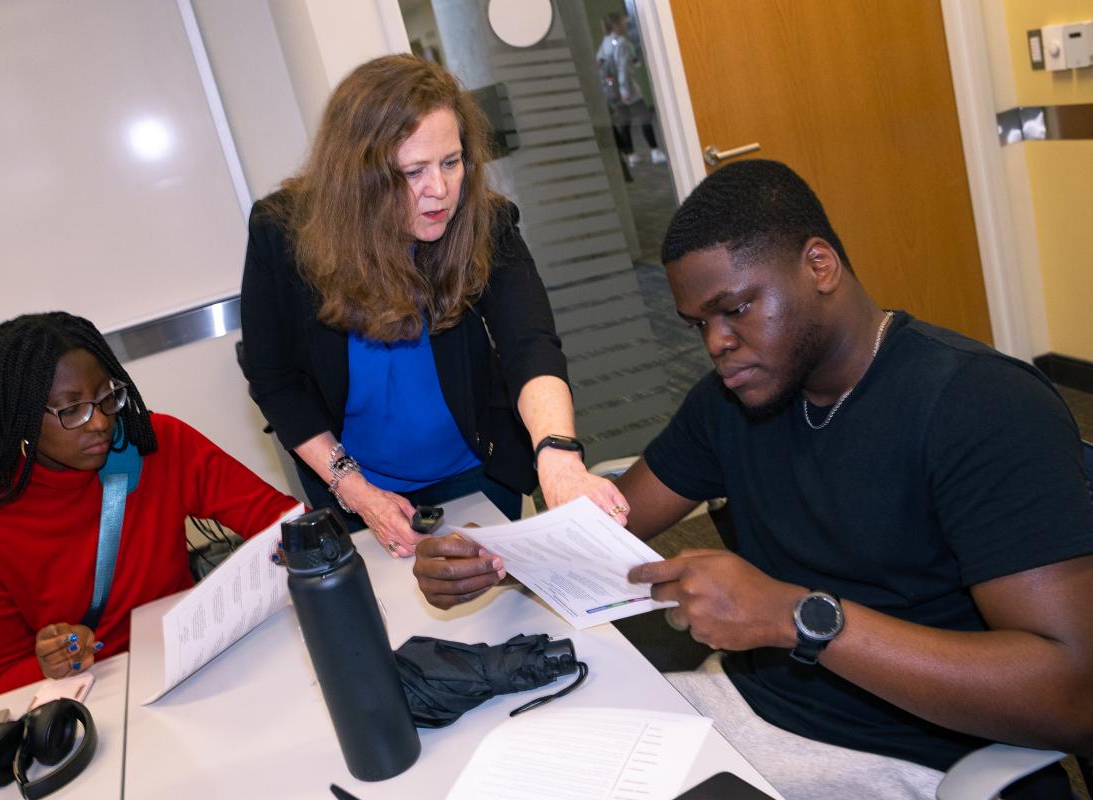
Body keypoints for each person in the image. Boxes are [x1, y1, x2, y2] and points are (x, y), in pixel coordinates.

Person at [412, 160, 1093, 799]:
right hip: (751, 712)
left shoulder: (980, 406)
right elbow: (607, 532)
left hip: (919, 759)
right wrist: (499, 562)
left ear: (819, 265)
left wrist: (794, 618)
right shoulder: (733, 399)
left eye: (735, 309)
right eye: (698, 324)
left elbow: (1072, 696)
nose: (716, 343)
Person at [240, 54, 626, 558]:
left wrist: (558, 457)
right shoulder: (283, 234)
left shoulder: (483, 223)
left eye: (451, 162)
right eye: (413, 171)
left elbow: (528, 343)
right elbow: (276, 380)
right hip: (355, 486)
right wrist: (354, 490)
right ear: (360, 177)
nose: (439, 191)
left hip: (475, 470)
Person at [0, 312, 300, 696]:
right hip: (99, 700)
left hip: (196, 666)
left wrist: (290, 539)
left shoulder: (157, 446)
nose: (100, 422)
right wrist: (50, 664)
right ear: (21, 420)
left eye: (106, 396)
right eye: (71, 410)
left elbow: (276, 516)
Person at [597, 12, 666, 168]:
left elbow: (600, 65)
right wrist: (625, 90)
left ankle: (631, 155)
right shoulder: (621, 42)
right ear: (615, 24)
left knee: (624, 121)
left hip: (612, 90)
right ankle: (655, 151)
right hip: (626, 89)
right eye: (622, 22)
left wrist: (612, 89)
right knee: (645, 117)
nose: (624, 24)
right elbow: (623, 68)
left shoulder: (606, 42)